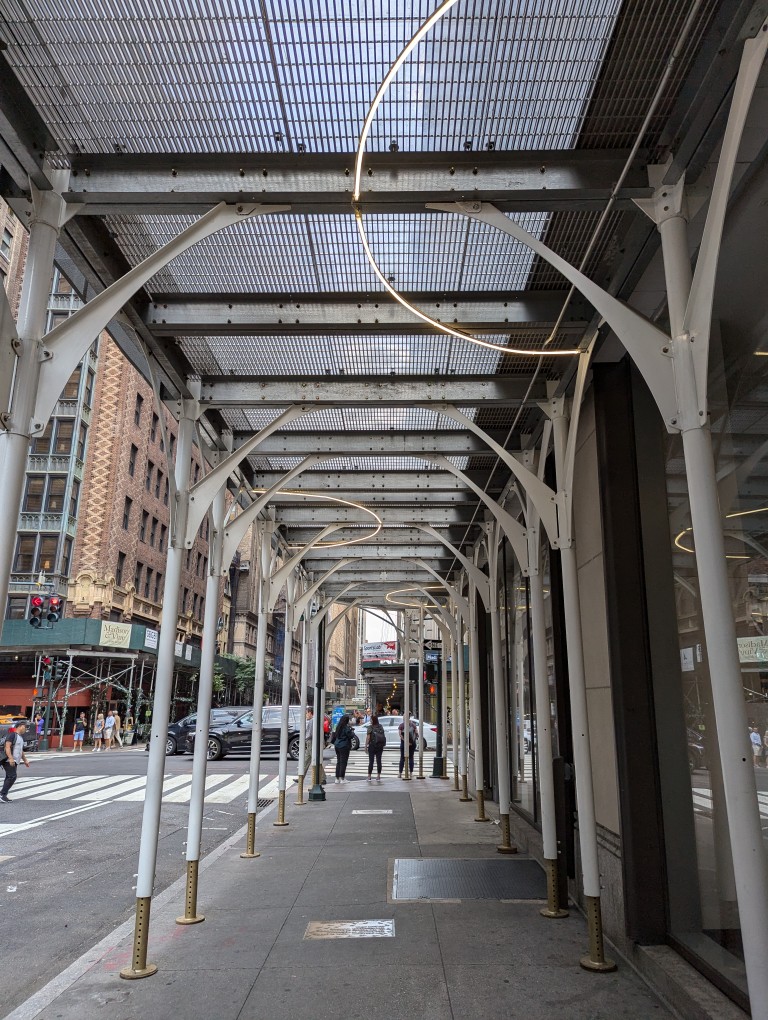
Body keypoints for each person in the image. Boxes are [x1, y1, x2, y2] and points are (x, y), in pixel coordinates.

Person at [1, 721, 30, 802]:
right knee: (12, 776)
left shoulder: (20, 737)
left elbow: (21, 751)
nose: (26, 729)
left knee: (9, 777)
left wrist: (25, 760)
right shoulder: (12, 735)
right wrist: (10, 758)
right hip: (8, 760)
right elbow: (7, 747)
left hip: (14, 760)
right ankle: (2, 794)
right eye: (25, 726)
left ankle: (3, 795)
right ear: (20, 726)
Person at [331, 714, 354, 784]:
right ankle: (342, 778)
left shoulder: (338, 726)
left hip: (337, 745)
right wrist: (352, 731)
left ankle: (337, 778)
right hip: (344, 746)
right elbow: (351, 736)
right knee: (343, 762)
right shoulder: (346, 728)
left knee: (339, 762)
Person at [366, 714, 386, 782]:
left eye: (371, 719)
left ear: (373, 720)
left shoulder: (370, 727)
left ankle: (369, 776)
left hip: (372, 745)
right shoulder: (380, 726)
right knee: (379, 761)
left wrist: (366, 746)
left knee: (371, 761)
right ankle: (378, 776)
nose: (370, 720)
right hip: (380, 745)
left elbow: (368, 738)